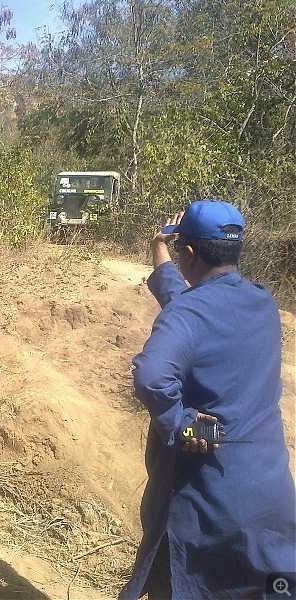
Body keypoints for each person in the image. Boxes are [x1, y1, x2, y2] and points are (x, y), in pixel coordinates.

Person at [120, 199, 296, 599]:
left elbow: (151, 374)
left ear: (190, 253)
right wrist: (159, 249)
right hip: (269, 499)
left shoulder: (190, 313)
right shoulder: (264, 303)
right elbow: (191, 309)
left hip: (205, 508)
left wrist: (181, 420)